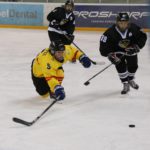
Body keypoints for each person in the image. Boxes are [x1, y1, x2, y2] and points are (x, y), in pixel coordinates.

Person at [99, 12, 147, 94]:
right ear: (117, 22)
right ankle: (125, 83)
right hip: (117, 52)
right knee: (121, 67)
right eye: (121, 23)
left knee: (133, 66)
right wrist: (110, 55)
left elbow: (143, 36)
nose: (123, 25)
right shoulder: (109, 32)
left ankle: (131, 79)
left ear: (128, 22)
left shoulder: (134, 28)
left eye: (125, 23)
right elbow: (103, 46)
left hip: (130, 50)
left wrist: (137, 46)